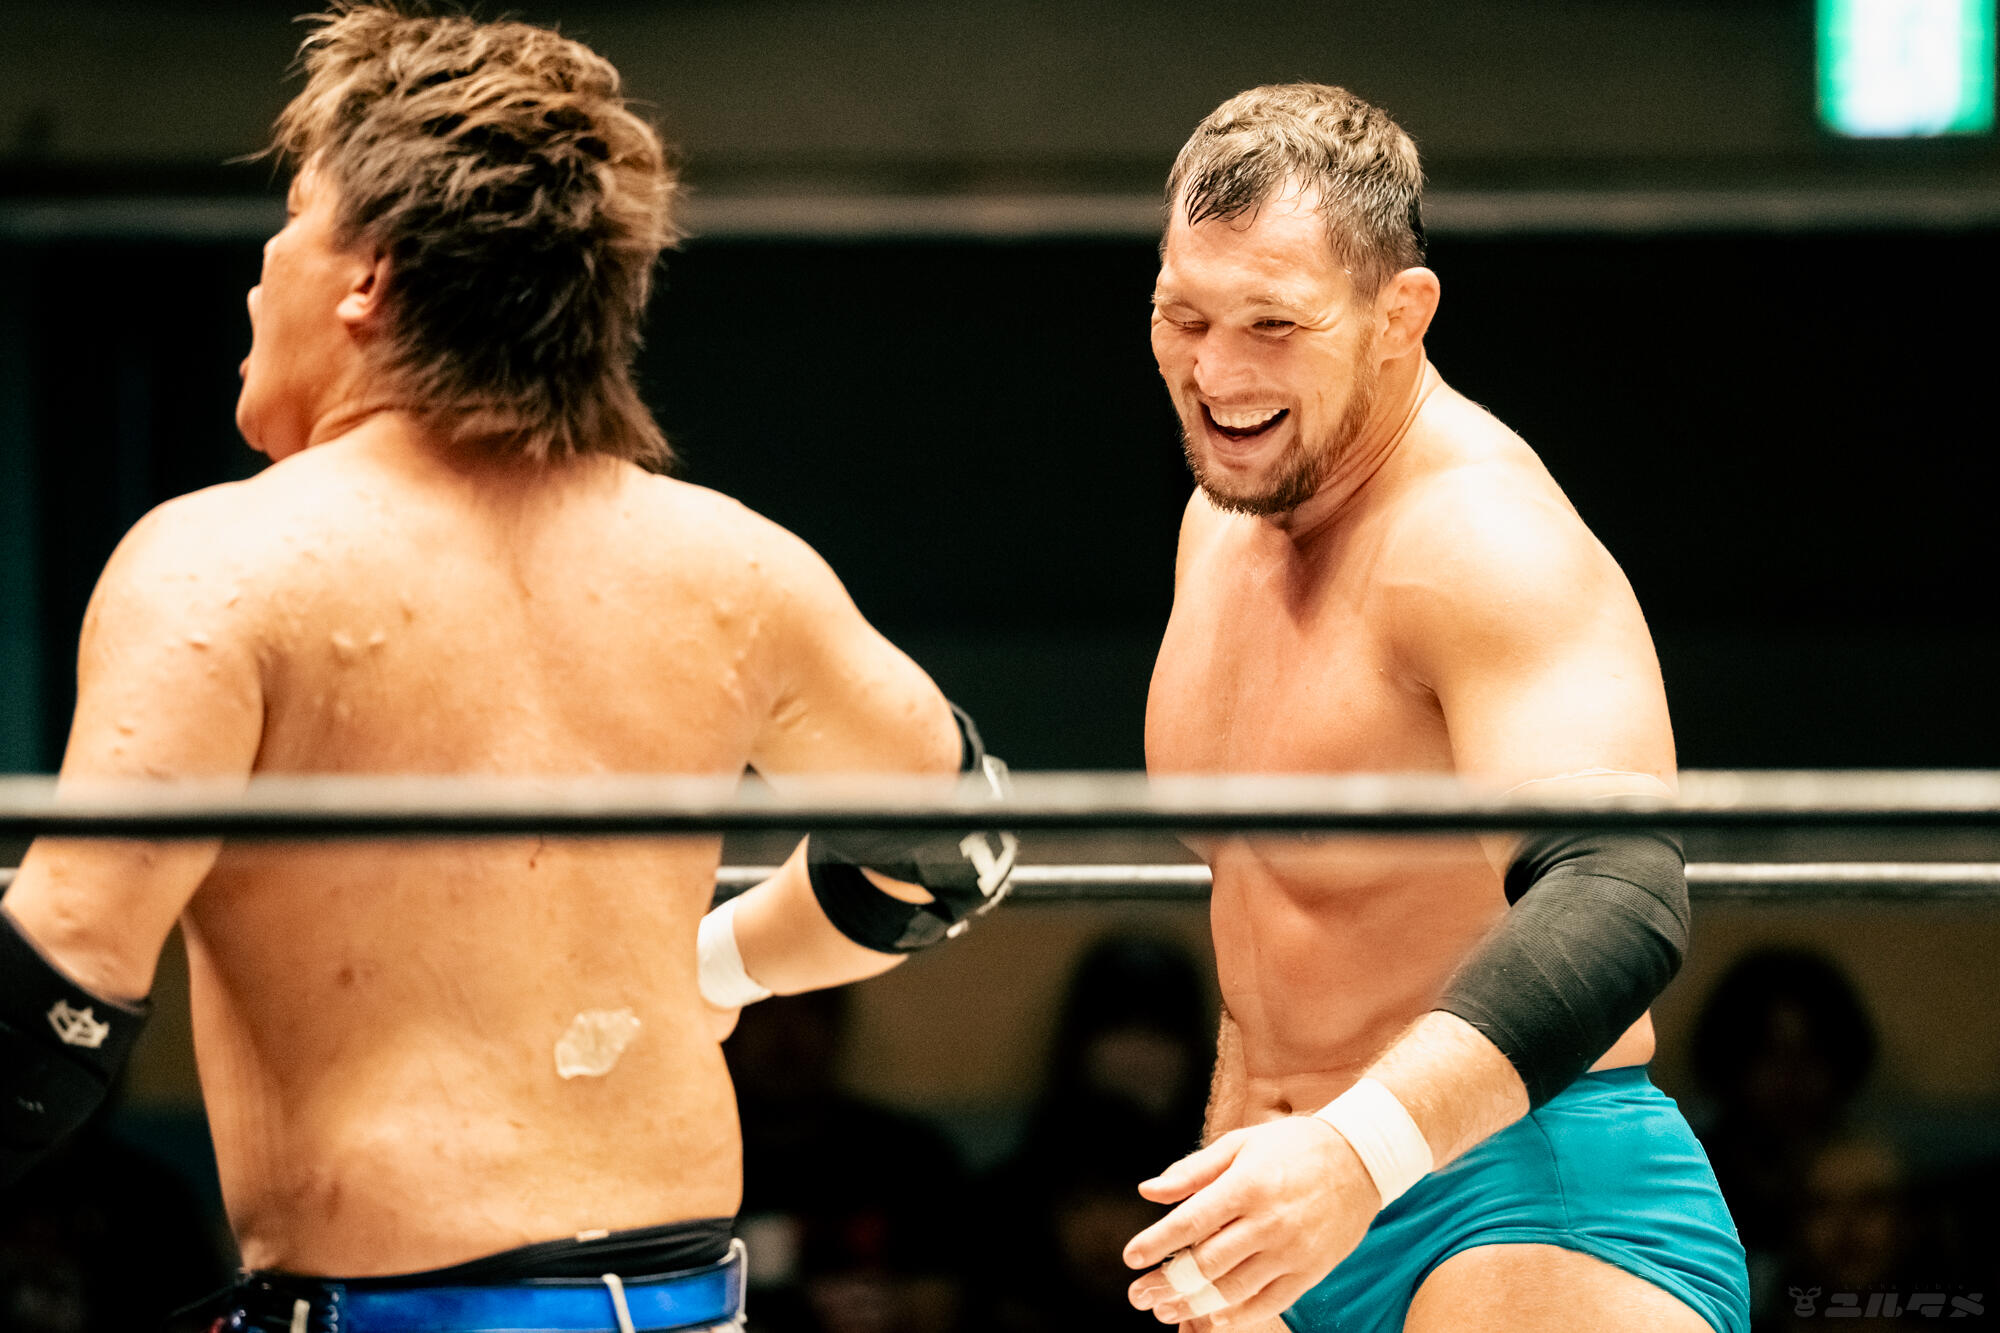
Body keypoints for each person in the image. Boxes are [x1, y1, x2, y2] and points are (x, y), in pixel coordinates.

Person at [0, 7, 1011, 1331]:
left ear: (367, 279)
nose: (259, 276)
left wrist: (707, 967)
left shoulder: (220, 565)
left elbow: (56, 998)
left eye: (291, 221)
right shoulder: (735, 568)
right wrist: (708, 971)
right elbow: (956, 845)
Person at [1125, 84, 1749, 1332]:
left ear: (1398, 315)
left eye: (1272, 324)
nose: (1215, 371)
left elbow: (1616, 891)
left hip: (1517, 1204)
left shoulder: (1477, 537)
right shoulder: (1220, 525)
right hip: (1280, 1221)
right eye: (1182, 315)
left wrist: (1354, 1152)